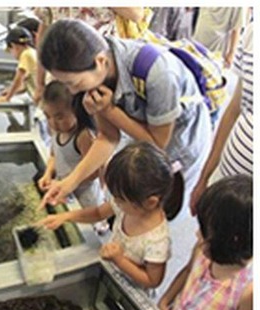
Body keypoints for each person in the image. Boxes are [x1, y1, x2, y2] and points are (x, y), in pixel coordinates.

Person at [38, 19, 212, 213]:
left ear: (100, 61)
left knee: (160, 207)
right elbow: (108, 137)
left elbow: (157, 143)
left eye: (74, 83)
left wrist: (109, 111)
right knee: (134, 204)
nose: (71, 91)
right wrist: (69, 182)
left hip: (181, 141)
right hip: (142, 131)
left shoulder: (158, 73)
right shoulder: (97, 72)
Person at [38, 141, 182, 289]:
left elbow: (152, 281)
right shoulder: (129, 206)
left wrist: (119, 260)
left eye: (120, 199)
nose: (115, 202)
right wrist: (66, 217)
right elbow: (98, 213)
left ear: (150, 202)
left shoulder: (157, 241)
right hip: (111, 271)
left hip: (131, 290)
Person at [158, 175, 252, 310]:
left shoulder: (248, 291)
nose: (197, 235)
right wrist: (165, 300)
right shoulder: (203, 249)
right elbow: (188, 271)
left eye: (205, 232)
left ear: (231, 240)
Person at [189, 21, 253, 216]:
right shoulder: (253, 32)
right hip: (225, 178)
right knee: (207, 241)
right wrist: (204, 178)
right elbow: (235, 109)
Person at [32, 7, 149, 104]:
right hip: (64, 72)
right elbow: (44, 31)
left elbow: (136, 14)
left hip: (102, 69)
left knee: (103, 112)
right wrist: (39, 82)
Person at [37, 81, 107, 234]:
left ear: (76, 110)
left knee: (90, 227)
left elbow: (94, 171)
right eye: (47, 116)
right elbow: (54, 155)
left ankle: (101, 226)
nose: (53, 122)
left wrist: (66, 182)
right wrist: (48, 174)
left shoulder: (83, 136)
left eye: (60, 117)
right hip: (66, 190)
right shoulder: (56, 130)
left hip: (85, 195)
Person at [0, 26, 37, 103]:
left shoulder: (25, 55)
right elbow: (24, 87)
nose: (12, 55)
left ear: (13, 46)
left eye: (10, 51)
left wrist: (7, 98)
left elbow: (18, 78)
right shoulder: (33, 52)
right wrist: (9, 92)